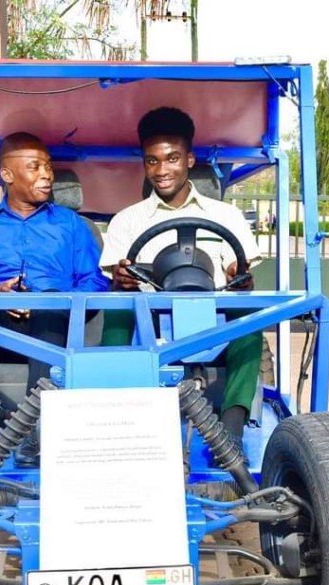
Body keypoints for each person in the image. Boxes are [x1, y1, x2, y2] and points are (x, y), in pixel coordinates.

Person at [99, 107, 263, 440]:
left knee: (250, 316)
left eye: (172, 159)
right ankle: (110, 416)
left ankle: (231, 430)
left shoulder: (226, 216)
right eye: (152, 161)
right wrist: (122, 279)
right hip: (150, 319)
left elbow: (242, 276)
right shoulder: (127, 221)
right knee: (115, 310)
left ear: (189, 160)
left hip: (212, 318)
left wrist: (241, 277)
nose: (161, 170)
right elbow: (116, 276)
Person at [0, 131, 109, 462]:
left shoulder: (72, 225)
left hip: (53, 327)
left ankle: (36, 419)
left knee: (50, 298)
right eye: (35, 167)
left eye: (48, 167)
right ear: (7, 175)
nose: (47, 175)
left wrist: (51, 299)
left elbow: (94, 282)